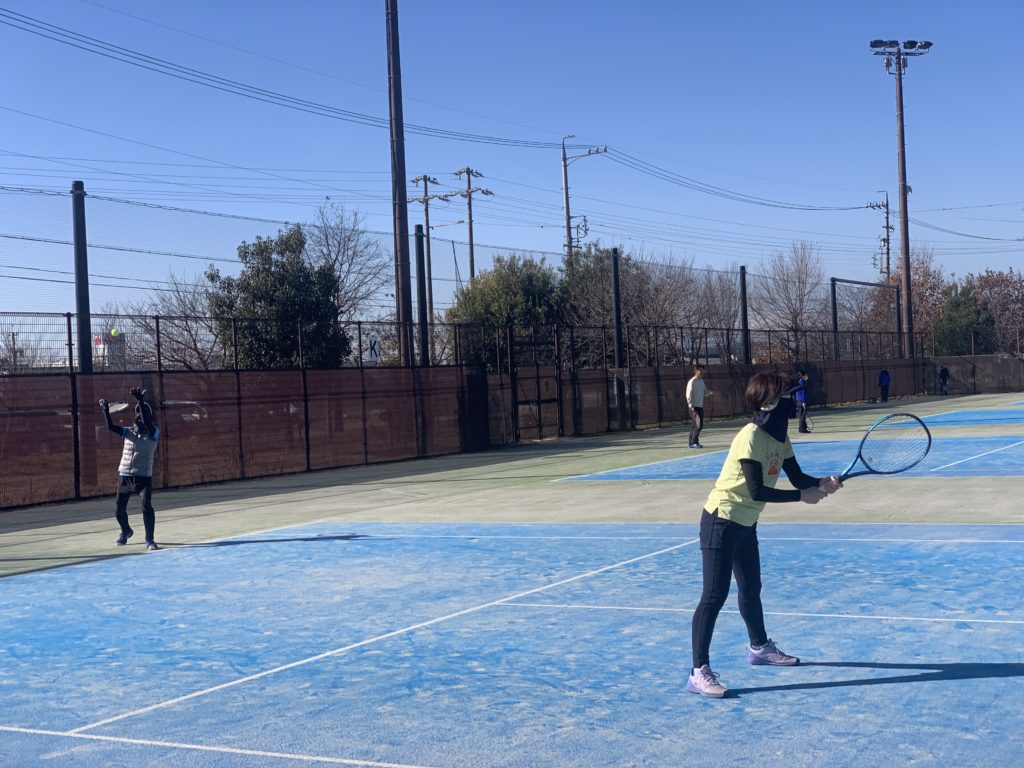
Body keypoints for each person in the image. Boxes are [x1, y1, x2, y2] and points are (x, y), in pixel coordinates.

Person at [687, 371, 843, 698]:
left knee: (751, 588)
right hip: (721, 520)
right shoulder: (751, 436)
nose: (793, 400)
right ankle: (698, 671)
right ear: (770, 403)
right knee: (714, 596)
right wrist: (801, 497)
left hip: (746, 523)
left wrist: (820, 483)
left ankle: (759, 648)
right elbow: (756, 490)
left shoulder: (780, 438)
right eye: (787, 395)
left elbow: (797, 477)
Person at [101, 387, 161, 551]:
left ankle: (149, 539)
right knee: (118, 510)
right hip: (125, 476)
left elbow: (147, 423)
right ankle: (126, 531)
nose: (140, 416)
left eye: (143, 414)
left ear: (149, 417)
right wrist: (105, 410)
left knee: (146, 507)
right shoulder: (128, 432)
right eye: (138, 414)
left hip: (143, 478)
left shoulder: (154, 433)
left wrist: (140, 401)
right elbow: (110, 427)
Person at [686, 366, 710, 448]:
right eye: (701, 371)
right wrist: (690, 403)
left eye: (703, 371)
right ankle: (694, 442)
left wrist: (709, 392)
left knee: (695, 425)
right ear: (696, 371)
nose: (702, 373)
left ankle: (691, 443)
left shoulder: (702, 381)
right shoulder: (692, 381)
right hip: (693, 407)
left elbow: (704, 392)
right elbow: (688, 393)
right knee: (698, 425)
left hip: (700, 407)